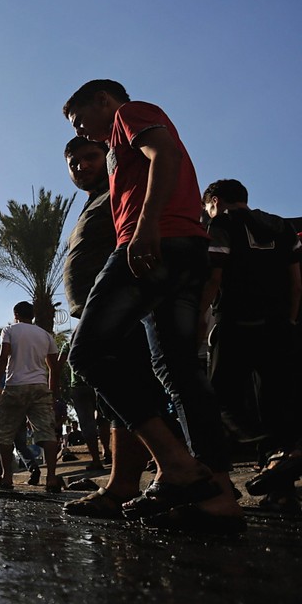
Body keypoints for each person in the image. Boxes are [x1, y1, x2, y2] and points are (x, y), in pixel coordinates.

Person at [63, 78, 241, 533]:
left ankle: (176, 466)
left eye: (79, 119)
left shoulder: (130, 113)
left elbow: (166, 155)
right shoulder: (116, 147)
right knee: (179, 372)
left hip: (154, 247)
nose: (80, 130)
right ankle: (219, 497)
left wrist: (145, 228)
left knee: (87, 353)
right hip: (180, 251)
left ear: (103, 100)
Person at [60, 135, 156, 517]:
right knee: (120, 397)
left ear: (109, 155)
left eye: (90, 157)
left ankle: (176, 465)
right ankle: (122, 484)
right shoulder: (95, 199)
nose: (81, 166)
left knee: (124, 385)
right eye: (74, 163)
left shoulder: (120, 191)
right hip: (102, 309)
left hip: (124, 306)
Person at [202, 178, 301, 509]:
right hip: (278, 326)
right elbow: (296, 282)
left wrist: (199, 320)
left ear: (215, 201)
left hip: (235, 325)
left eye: (207, 207)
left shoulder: (221, 224)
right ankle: (282, 489)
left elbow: (214, 278)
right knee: (275, 401)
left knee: (221, 399)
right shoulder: (280, 225)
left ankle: (274, 448)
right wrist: (289, 321)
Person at [0, 302, 61, 491]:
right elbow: (54, 368)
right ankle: (51, 478)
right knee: (47, 432)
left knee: (4, 433)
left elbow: (3, 357)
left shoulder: (10, 330)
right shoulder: (46, 335)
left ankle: (6, 477)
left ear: (16, 314)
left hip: (15, 386)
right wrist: (52, 393)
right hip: (40, 387)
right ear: (33, 315)